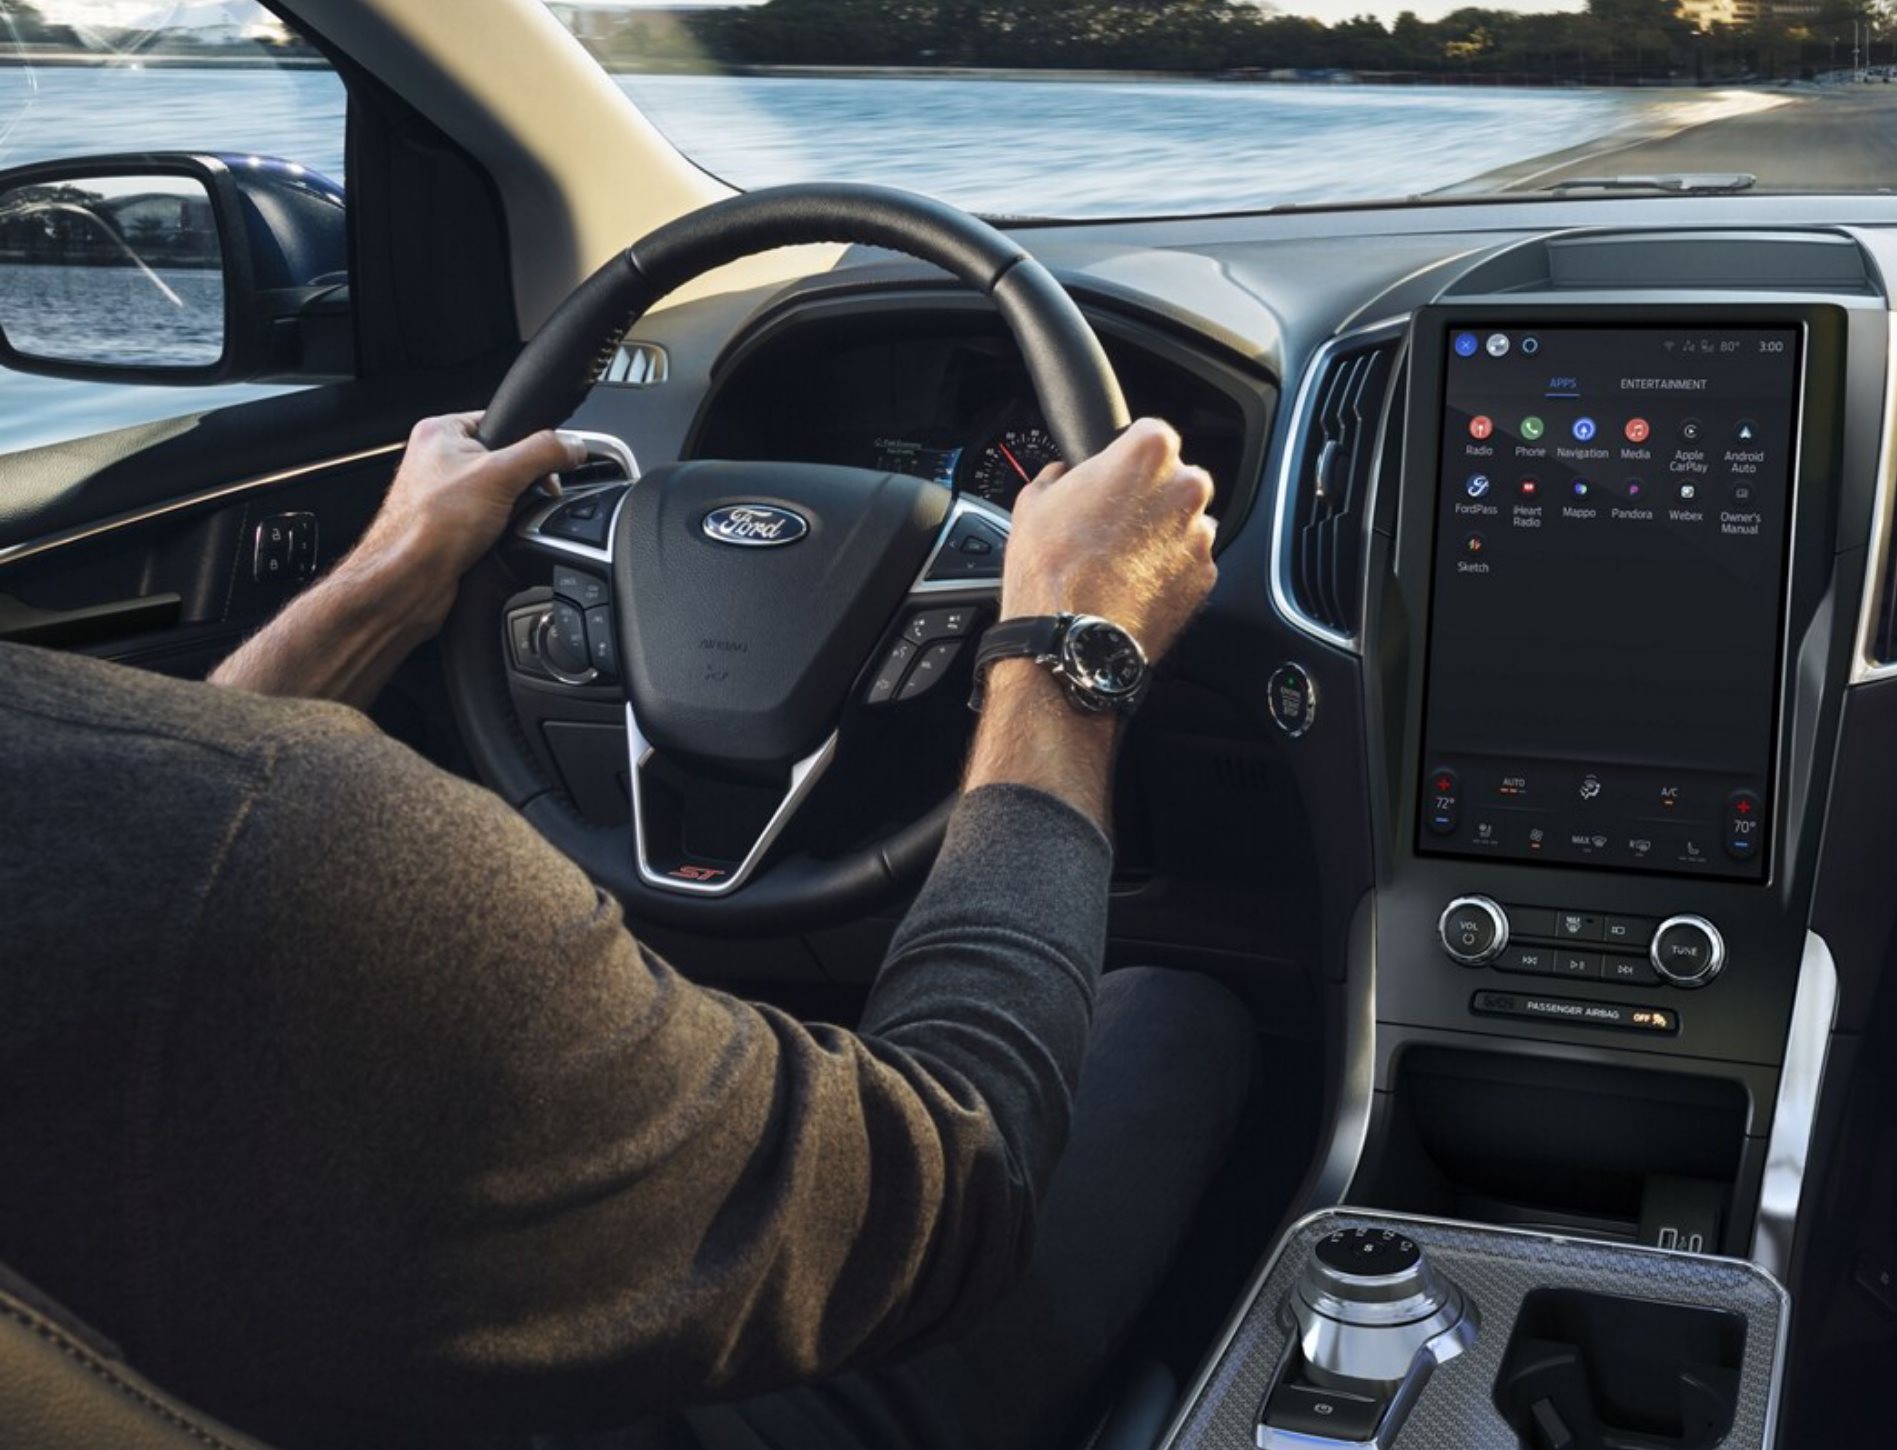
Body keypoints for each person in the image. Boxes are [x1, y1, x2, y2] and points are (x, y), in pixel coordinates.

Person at [0, 413, 1253, 1450]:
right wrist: (1061, 645)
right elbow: (947, 1179)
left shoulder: (154, 840)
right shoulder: (344, 870)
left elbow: (143, 830)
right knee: (1173, 1020)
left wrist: (386, 582)